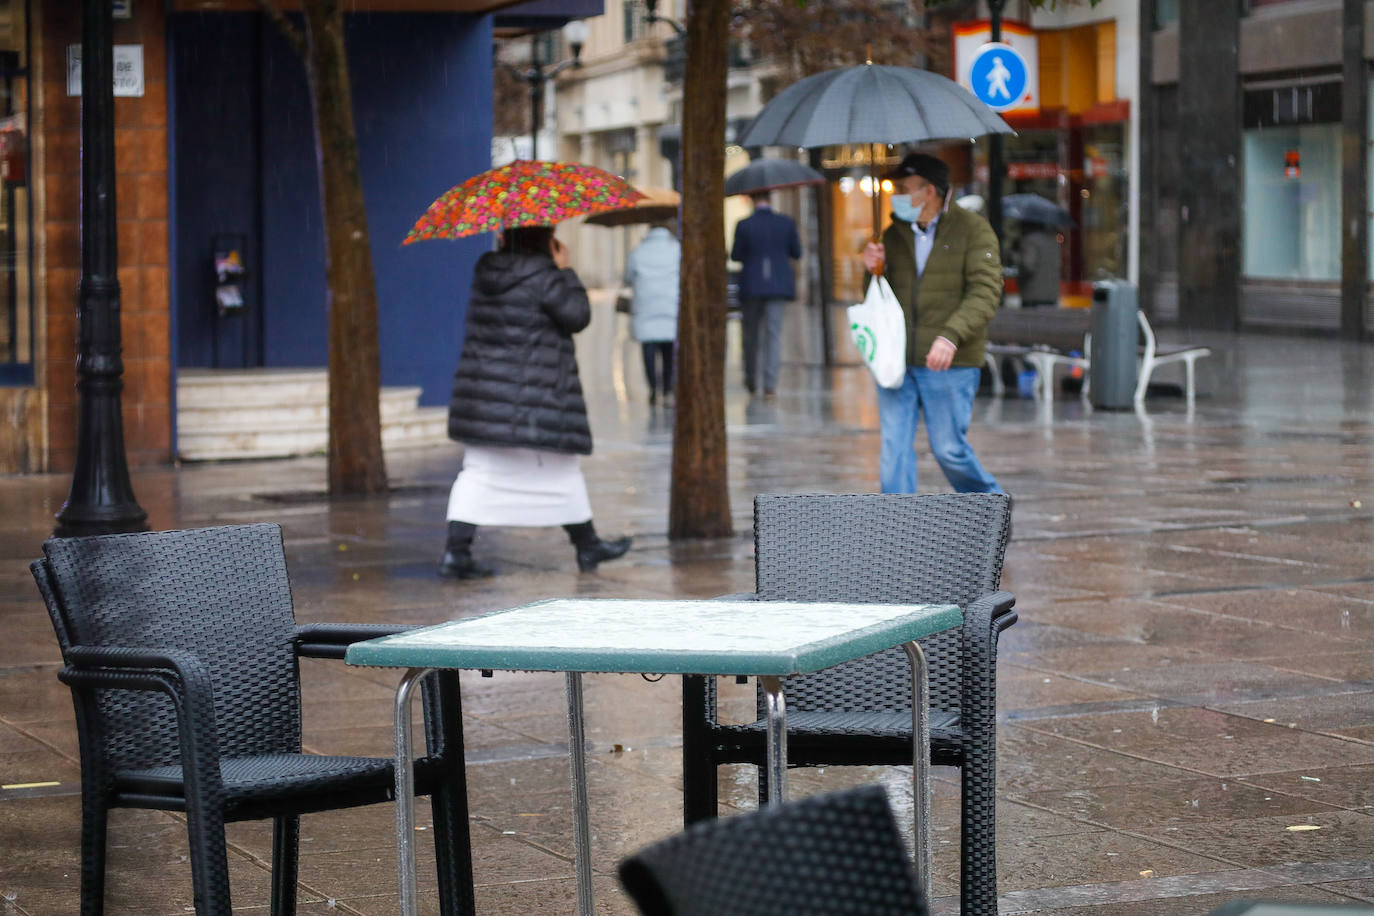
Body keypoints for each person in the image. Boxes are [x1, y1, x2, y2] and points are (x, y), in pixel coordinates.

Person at [438, 225, 632, 578]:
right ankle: (587, 546)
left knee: (480, 471)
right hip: (537, 394)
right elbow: (577, 316)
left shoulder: (487, 271)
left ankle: (457, 552)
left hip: (488, 395)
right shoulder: (546, 277)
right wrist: (565, 269)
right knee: (562, 470)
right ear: (545, 240)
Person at [861, 152, 1005, 496]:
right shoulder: (892, 235)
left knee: (948, 450)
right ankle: (898, 525)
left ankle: (992, 506)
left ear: (930, 192)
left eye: (904, 188)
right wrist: (872, 271)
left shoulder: (973, 231)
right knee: (893, 450)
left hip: (949, 362)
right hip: (896, 361)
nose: (896, 195)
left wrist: (951, 337)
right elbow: (877, 299)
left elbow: (985, 292)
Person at [731, 190, 801, 399]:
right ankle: (770, 384)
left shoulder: (744, 225)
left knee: (751, 336)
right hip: (778, 287)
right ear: (771, 200)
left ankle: (751, 380)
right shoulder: (786, 223)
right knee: (773, 334)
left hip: (751, 287)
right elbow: (796, 252)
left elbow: (736, 255)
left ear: (753, 201)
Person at [623, 219, 680, 406]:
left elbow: (628, 277)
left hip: (646, 307)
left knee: (648, 349)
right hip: (670, 306)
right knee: (669, 350)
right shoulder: (676, 249)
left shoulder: (638, 252)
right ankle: (668, 389)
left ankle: (654, 389)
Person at [1016, 222, 1061, 308]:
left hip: (1033, 294)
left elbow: (1027, 265)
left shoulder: (1030, 240)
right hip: (1051, 295)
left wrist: (1020, 277)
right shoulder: (1053, 240)